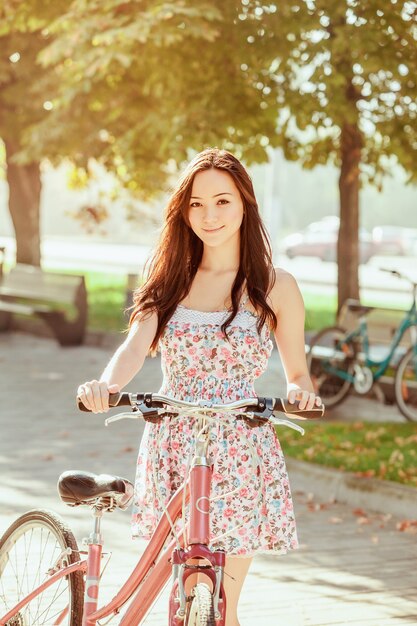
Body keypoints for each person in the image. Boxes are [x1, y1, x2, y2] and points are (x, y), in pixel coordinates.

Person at [77, 147, 322, 626]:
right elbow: (134, 348)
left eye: (222, 201)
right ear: (183, 210)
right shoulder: (171, 278)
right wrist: (105, 386)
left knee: (223, 606)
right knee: (186, 586)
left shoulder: (276, 285)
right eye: (196, 203)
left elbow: (298, 372)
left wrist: (301, 394)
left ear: (245, 203)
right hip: (174, 437)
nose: (208, 215)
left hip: (241, 445)